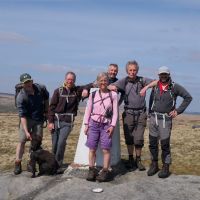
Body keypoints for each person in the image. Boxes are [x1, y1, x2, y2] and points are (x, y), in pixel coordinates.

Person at [142, 66, 192, 178]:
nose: (163, 76)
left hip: (165, 120)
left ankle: (166, 167)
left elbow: (188, 97)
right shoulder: (155, 86)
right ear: (158, 75)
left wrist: (178, 111)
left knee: (165, 144)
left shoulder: (174, 87)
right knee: (153, 143)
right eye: (161, 74)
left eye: (165, 74)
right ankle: (154, 165)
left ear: (168, 75)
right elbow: (151, 99)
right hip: (154, 118)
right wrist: (150, 112)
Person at [108, 60, 157, 171]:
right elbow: (109, 86)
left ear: (137, 70)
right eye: (130, 70)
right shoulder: (123, 81)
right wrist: (113, 87)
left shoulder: (142, 80)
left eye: (134, 70)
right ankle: (130, 160)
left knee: (138, 139)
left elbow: (156, 82)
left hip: (141, 113)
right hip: (128, 113)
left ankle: (138, 160)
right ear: (127, 70)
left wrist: (146, 87)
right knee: (129, 138)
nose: (132, 72)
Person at [48, 71, 90, 168]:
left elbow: (89, 85)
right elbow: (51, 107)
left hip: (67, 122)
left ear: (74, 80)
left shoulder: (77, 91)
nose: (70, 81)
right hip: (55, 121)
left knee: (61, 142)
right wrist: (50, 122)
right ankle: (52, 163)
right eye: (68, 79)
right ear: (65, 79)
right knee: (54, 144)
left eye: (72, 79)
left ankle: (58, 164)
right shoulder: (58, 91)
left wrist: (86, 90)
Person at [84, 72, 118, 182]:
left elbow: (115, 113)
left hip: (106, 125)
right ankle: (91, 169)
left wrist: (112, 126)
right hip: (93, 124)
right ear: (97, 82)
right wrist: (86, 125)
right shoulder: (93, 94)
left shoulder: (113, 95)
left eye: (105, 80)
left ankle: (105, 171)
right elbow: (88, 110)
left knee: (106, 149)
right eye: (101, 80)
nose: (103, 82)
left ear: (108, 82)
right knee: (92, 148)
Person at [14, 73, 49, 175]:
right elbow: (23, 116)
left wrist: (46, 111)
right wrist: (26, 131)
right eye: (25, 83)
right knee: (22, 141)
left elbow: (46, 98)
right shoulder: (21, 97)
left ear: (32, 81)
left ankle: (31, 164)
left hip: (38, 119)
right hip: (27, 119)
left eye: (29, 81)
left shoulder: (41, 88)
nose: (28, 84)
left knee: (36, 142)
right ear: (22, 84)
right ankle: (17, 163)